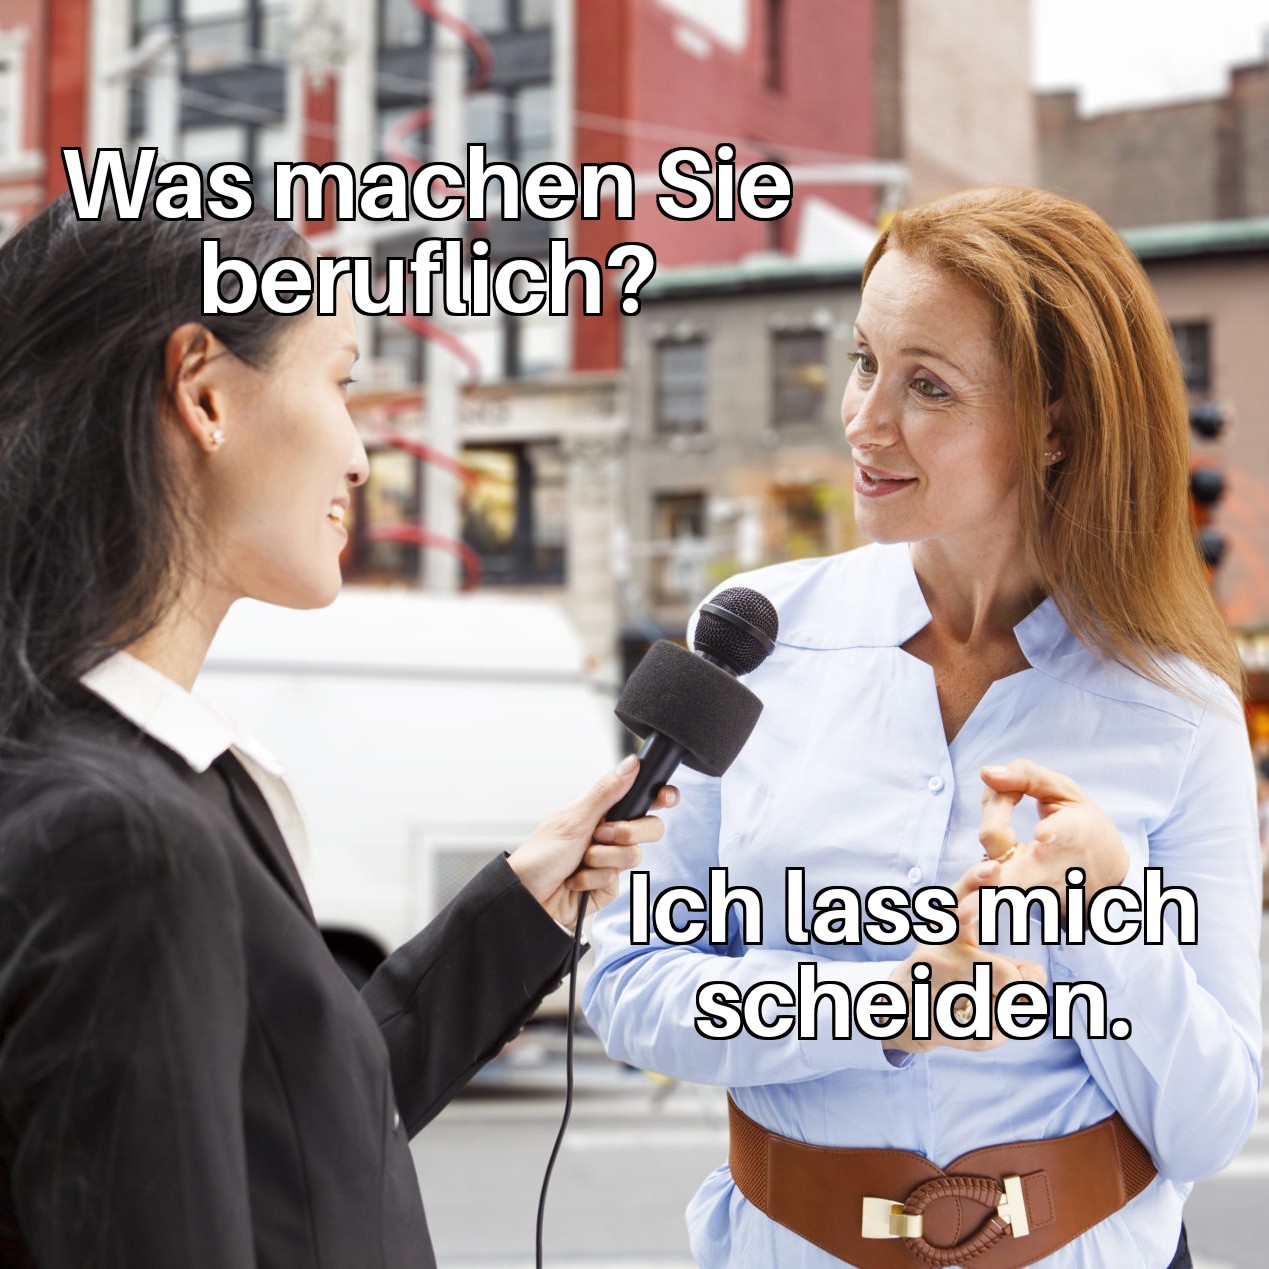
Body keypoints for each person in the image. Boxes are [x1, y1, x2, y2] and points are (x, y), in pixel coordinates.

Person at [584, 187, 1262, 1269]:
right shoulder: (754, 639)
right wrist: (888, 1007)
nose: (864, 419)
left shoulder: (1177, 707)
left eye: (928, 385)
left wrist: (1105, 922)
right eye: (864, 361)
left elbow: (1208, 1126)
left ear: (1057, 426)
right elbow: (625, 986)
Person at [0, 193, 671, 1268]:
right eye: (340, 380)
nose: (359, 458)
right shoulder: (120, 836)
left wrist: (513, 910)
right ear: (204, 393)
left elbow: (294, 1142)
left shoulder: (121, 772)